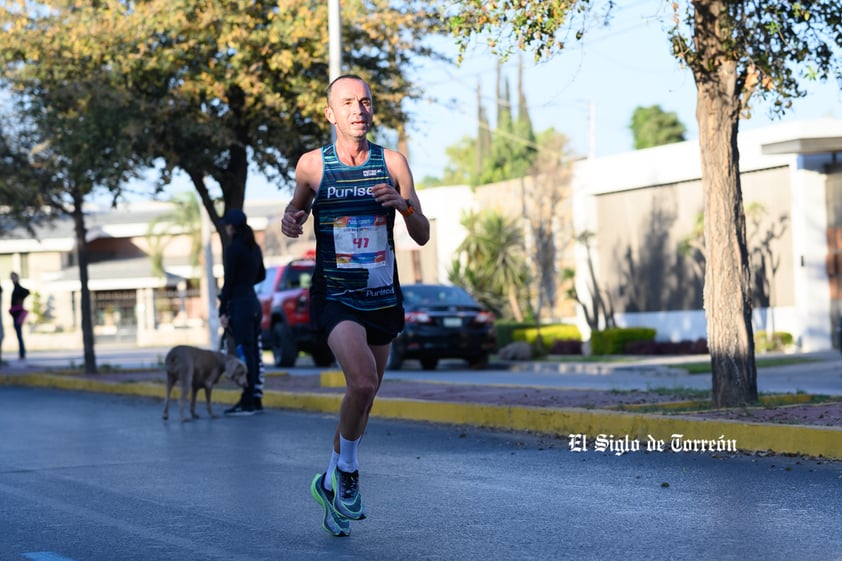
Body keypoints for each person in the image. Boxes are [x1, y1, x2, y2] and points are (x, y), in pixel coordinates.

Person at [281, 74, 430, 537]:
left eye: (364, 102)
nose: (358, 110)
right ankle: (347, 472)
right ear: (330, 113)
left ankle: (329, 482)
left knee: (362, 402)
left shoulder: (393, 163)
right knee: (361, 382)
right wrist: (292, 219)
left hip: (382, 295)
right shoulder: (312, 165)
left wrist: (403, 207)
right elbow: (296, 209)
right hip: (336, 295)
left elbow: (422, 233)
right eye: (347, 102)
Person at [218, 208, 266, 416]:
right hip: (253, 303)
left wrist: (222, 309)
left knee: (244, 352)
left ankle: (247, 401)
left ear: (231, 226)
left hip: (239, 304)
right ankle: (255, 397)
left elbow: (228, 282)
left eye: (227, 225)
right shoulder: (254, 247)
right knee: (254, 351)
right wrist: (246, 283)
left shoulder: (232, 249)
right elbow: (261, 275)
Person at [8, 272, 30, 361]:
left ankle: (22, 354)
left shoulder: (18, 288)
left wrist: (20, 300)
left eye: (13, 277)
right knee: (18, 335)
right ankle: (22, 353)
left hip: (18, 315)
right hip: (15, 314)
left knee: (19, 335)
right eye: (11, 278)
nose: (12, 279)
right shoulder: (15, 288)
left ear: (17, 278)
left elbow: (27, 292)